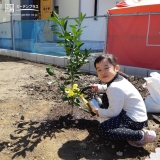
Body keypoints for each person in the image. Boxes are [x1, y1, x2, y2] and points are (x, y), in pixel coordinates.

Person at [90, 53, 156, 147]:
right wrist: (99, 87)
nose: (103, 72)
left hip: (134, 121)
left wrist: (99, 112)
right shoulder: (118, 80)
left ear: (116, 68)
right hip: (136, 116)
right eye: (99, 70)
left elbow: (113, 112)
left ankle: (141, 135)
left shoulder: (115, 87)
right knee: (105, 96)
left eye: (106, 68)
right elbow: (109, 88)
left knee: (103, 129)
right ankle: (126, 129)